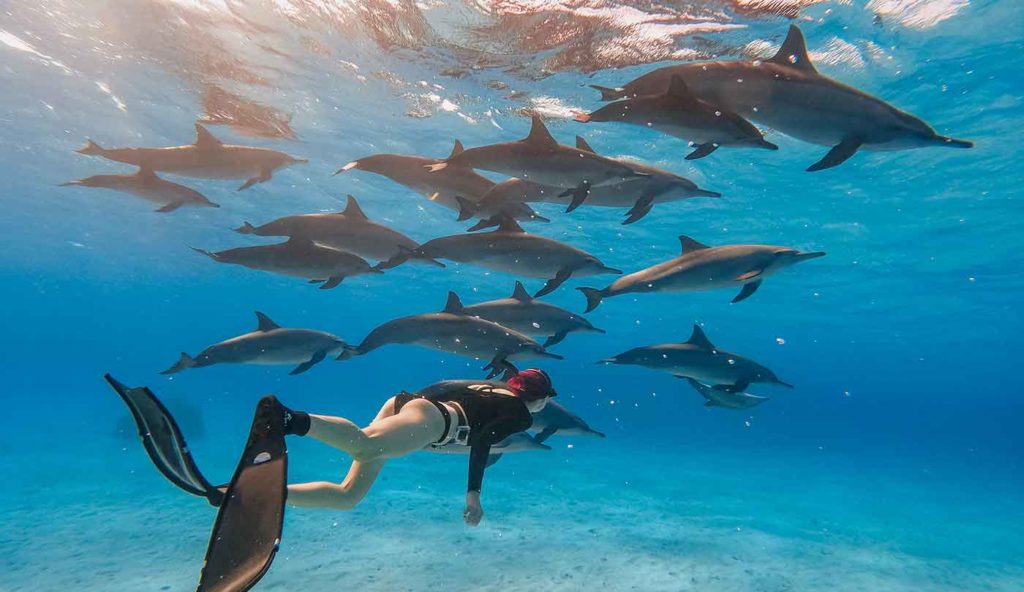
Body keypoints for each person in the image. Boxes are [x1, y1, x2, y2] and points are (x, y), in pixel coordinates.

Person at [275, 368, 556, 525]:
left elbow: (439, 390)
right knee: (366, 444)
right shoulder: (521, 416)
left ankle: (268, 495)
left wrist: (413, 425)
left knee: (348, 496)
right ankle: (288, 419)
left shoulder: (487, 387)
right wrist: (473, 495)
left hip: (412, 406)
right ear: (539, 399)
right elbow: (483, 441)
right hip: (433, 422)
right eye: (545, 399)